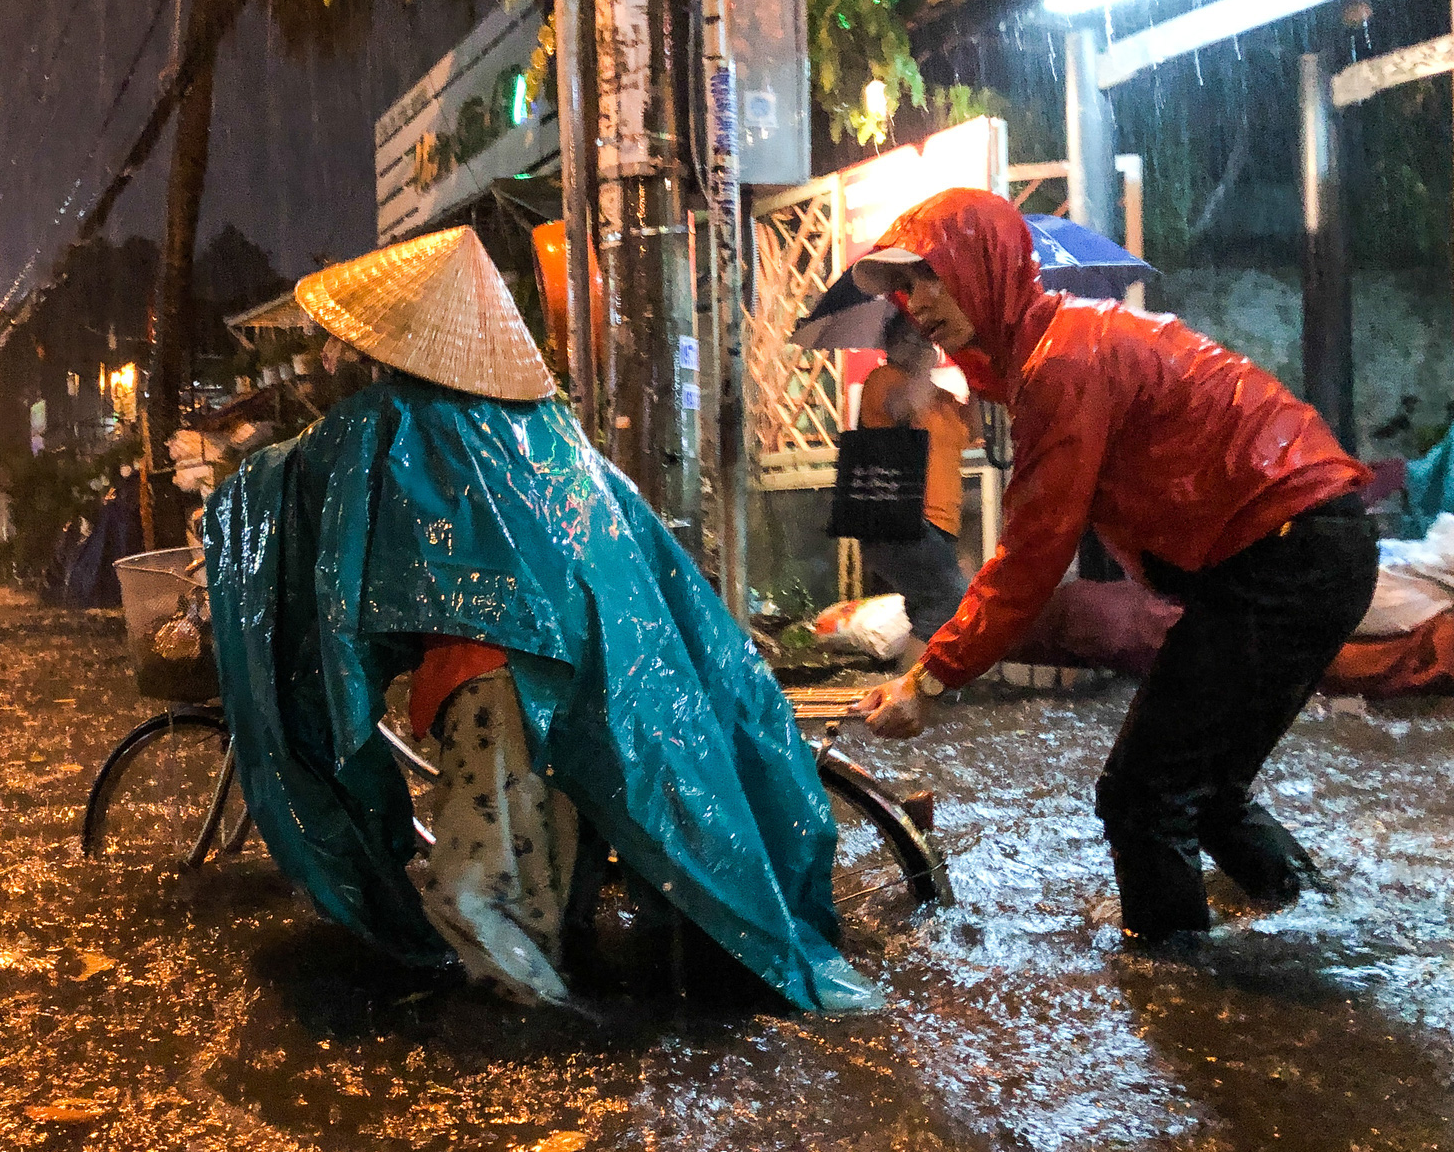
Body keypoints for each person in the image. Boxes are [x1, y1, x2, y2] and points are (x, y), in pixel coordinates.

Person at [205, 226, 878, 1012]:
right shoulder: (543, 429)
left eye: (340, 346)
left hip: (498, 680)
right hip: (592, 675)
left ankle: (542, 1029)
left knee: (480, 885)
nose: (332, 360)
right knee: (548, 869)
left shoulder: (392, 420)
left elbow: (280, 498)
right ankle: (580, 998)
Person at [850, 189, 1375, 945]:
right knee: (1205, 790)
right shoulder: (1052, 354)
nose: (916, 300)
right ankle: (1317, 929)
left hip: (1289, 549)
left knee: (1142, 794)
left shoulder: (1065, 362)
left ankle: (1180, 999)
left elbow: (1034, 549)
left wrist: (932, 676)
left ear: (986, 265)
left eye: (932, 274)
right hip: (1305, 546)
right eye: (906, 285)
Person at [856, 306, 982, 666]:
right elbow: (903, 409)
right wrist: (924, 369)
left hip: (940, 524)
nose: (920, 347)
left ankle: (909, 695)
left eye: (924, 338)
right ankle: (910, 697)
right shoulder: (883, 381)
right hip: (903, 519)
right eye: (909, 338)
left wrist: (974, 375)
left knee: (931, 608)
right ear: (891, 344)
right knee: (948, 603)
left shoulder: (942, 397)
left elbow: (974, 431)